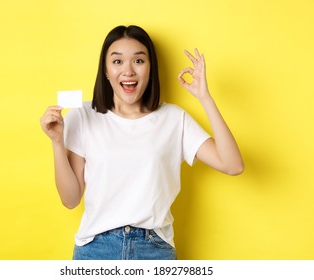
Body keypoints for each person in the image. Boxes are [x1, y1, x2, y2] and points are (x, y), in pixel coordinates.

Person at [40, 25, 244, 260]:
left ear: (150, 69)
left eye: (138, 61)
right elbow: (70, 199)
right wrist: (57, 142)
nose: (128, 71)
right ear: (105, 71)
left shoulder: (174, 119)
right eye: (117, 62)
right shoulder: (83, 115)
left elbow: (233, 165)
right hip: (96, 250)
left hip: (154, 250)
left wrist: (204, 98)